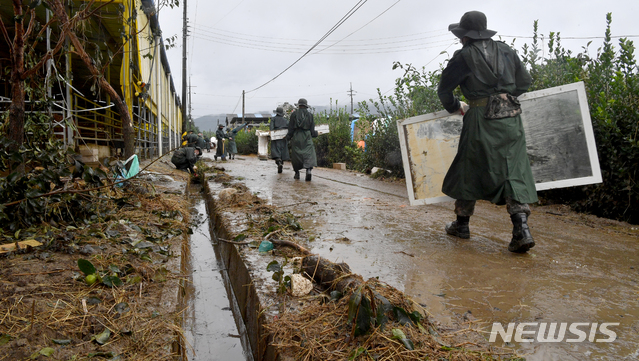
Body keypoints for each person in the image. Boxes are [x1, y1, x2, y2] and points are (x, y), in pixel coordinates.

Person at [437, 11, 537, 253]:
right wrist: (503, 99)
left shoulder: (462, 57)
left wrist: (456, 106)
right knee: (513, 170)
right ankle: (521, 229)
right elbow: (524, 83)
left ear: (465, 36)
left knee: (468, 168)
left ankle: (462, 225)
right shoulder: (507, 50)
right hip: (511, 120)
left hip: (480, 119)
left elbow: (444, 91)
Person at [286, 98, 318, 181]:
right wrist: (315, 134)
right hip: (307, 136)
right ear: (306, 106)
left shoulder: (294, 115)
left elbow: (290, 128)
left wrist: (288, 137)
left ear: (299, 105)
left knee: (296, 155)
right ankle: (308, 170)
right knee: (309, 154)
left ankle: (297, 173)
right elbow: (312, 129)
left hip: (296, 136)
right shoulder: (310, 115)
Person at [270, 106, 290, 173]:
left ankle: (278, 163)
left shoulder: (273, 119)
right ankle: (281, 162)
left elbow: (271, 128)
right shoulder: (285, 120)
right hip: (284, 138)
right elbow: (289, 128)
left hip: (275, 138)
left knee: (276, 150)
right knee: (283, 151)